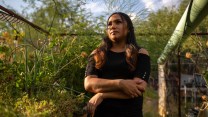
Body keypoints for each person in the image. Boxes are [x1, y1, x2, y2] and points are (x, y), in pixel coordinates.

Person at [84, 12, 150, 117]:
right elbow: (89, 84)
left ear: (128, 28)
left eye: (118, 22)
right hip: (100, 113)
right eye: (109, 24)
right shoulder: (97, 53)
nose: (112, 26)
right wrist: (120, 83)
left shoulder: (140, 53)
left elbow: (138, 88)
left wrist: (102, 95)